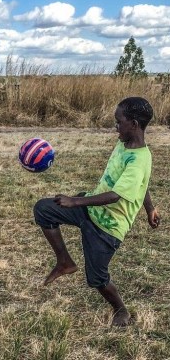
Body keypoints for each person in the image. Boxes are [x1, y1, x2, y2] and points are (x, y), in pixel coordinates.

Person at [33, 97, 160, 327]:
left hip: (107, 229)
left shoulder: (140, 159)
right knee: (44, 210)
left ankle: (121, 310)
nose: (115, 126)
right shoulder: (124, 143)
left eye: (118, 122)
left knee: (97, 278)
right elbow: (142, 184)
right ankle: (64, 262)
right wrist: (150, 208)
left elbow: (117, 194)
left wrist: (75, 201)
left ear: (133, 123)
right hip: (89, 210)